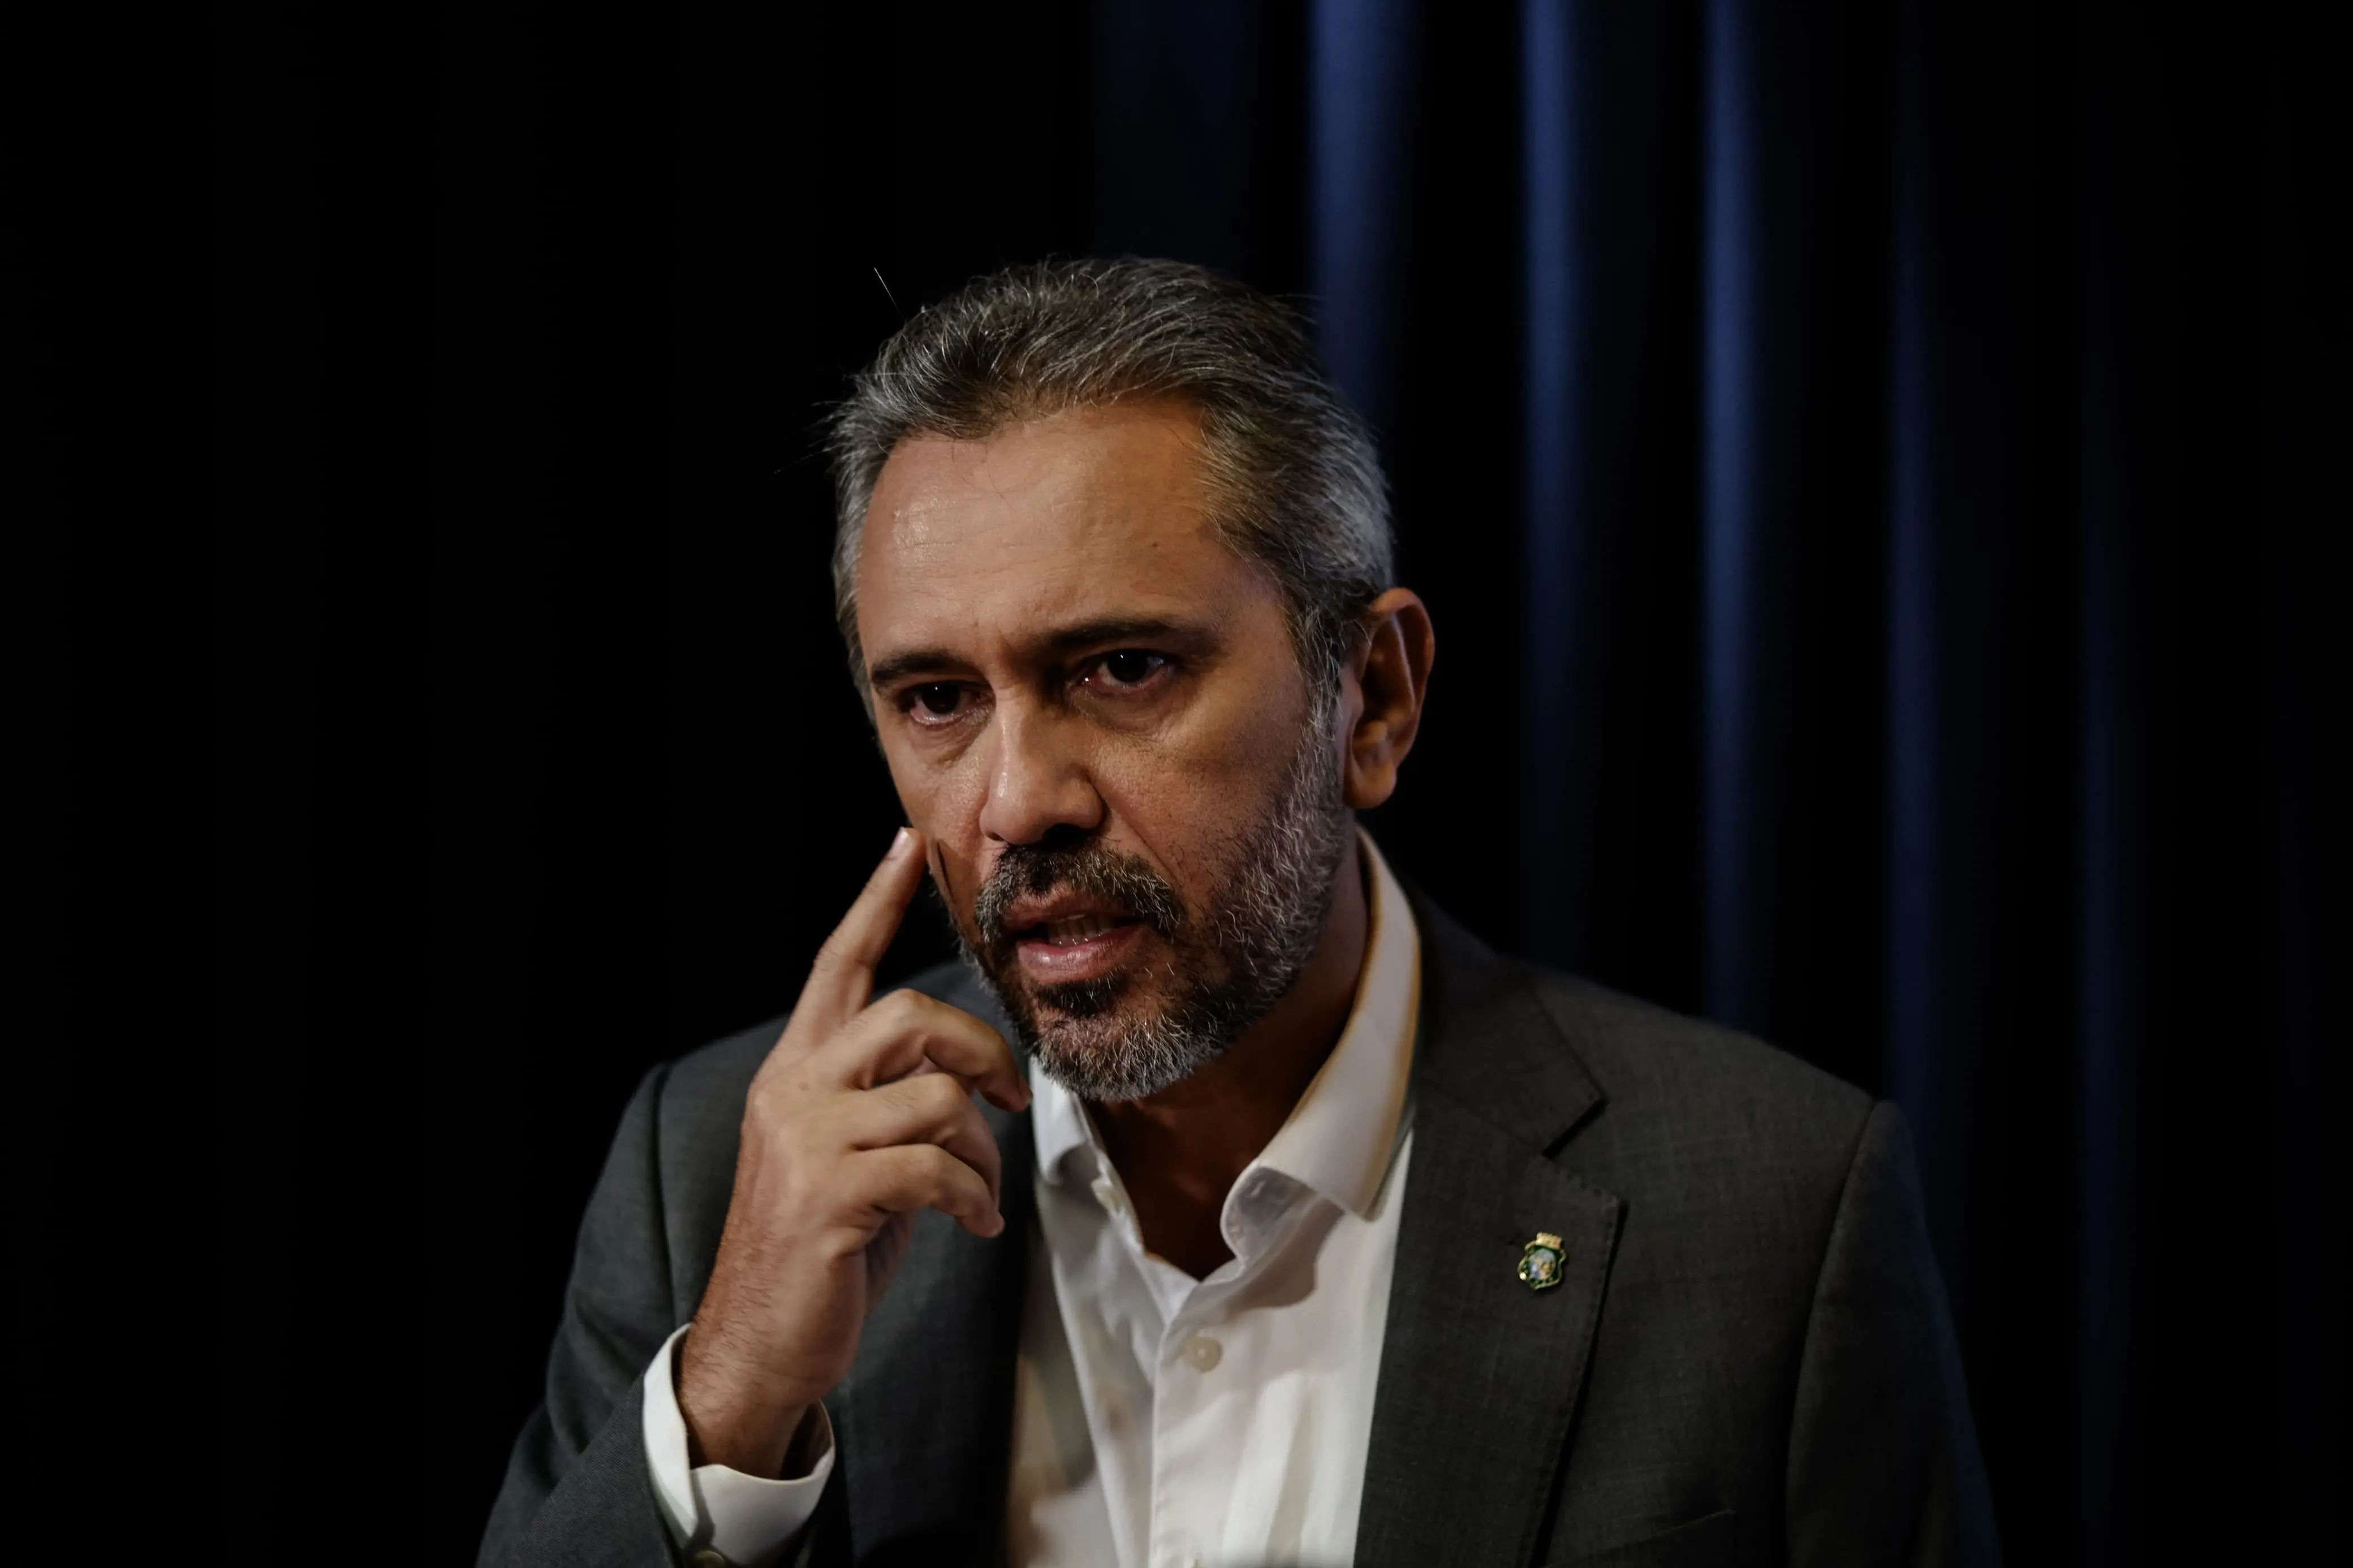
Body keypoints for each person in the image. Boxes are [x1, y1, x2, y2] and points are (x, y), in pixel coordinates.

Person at [479, 258, 1997, 1568]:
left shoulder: (1770, 1215)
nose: (1018, 801)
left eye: (1124, 669)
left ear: (1374, 697)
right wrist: (729, 1411)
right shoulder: (709, 1181)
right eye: (937, 698)